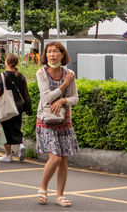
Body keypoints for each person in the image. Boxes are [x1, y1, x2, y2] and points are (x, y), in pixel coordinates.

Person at [36, 41, 79, 207]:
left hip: (64, 120)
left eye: (55, 52)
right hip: (46, 120)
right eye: (49, 52)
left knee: (63, 160)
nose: (52, 55)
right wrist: (64, 84)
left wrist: (62, 100)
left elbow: (75, 98)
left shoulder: (69, 73)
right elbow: (46, 97)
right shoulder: (41, 73)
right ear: (45, 55)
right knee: (55, 157)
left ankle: (60, 195)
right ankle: (43, 187)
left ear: (62, 54)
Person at [0, 53, 32, 162]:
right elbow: (25, 93)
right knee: (17, 127)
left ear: (6, 62)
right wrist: (28, 108)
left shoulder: (2, 75)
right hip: (19, 106)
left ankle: (8, 154)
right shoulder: (20, 76)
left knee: (5, 129)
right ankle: (21, 145)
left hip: (7, 106)